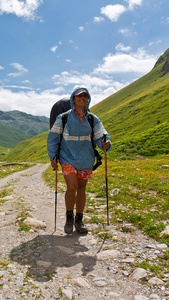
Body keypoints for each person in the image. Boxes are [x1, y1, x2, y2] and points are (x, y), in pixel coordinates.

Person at [47, 87, 111, 234]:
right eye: (79, 96)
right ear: (73, 99)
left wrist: (106, 143)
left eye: (85, 96)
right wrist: (53, 157)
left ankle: (79, 220)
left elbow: (102, 135)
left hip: (86, 159)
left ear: (88, 99)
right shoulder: (63, 118)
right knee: (72, 186)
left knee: (82, 189)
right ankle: (69, 218)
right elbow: (53, 139)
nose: (82, 98)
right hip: (67, 158)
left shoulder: (92, 119)